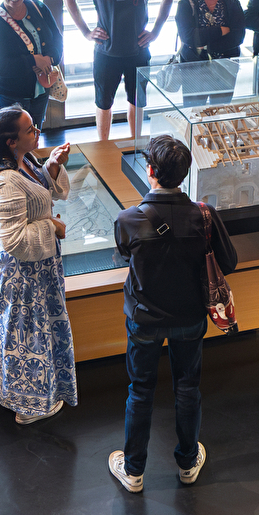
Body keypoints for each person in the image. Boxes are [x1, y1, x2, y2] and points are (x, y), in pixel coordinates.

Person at [109, 135, 238, 493]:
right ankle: (187, 462)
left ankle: (134, 470)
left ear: (150, 170)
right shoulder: (204, 216)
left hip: (143, 318)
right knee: (187, 387)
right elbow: (229, 261)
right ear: (184, 173)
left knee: (140, 390)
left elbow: (123, 253)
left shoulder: (128, 219)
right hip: (190, 317)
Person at [0, 107, 76, 424]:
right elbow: (15, 240)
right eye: (30, 129)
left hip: (35, 269)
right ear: (10, 141)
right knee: (25, 336)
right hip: (20, 272)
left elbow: (41, 193)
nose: (37, 131)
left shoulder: (27, 163)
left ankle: (33, 397)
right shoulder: (4, 184)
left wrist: (53, 166)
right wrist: (53, 228)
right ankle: (27, 408)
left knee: (34, 331)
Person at [64, 0, 173, 141]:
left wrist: (156, 31)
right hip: (106, 51)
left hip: (138, 49)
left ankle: (136, 145)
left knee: (137, 101)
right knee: (104, 103)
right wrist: (86, 32)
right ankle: (103, 148)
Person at [0, 0, 64, 126]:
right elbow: (1, 67)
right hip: (11, 96)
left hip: (40, 90)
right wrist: (34, 61)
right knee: (12, 143)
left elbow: (57, 40)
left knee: (34, 136)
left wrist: (49, 59)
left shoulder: (38, 8)